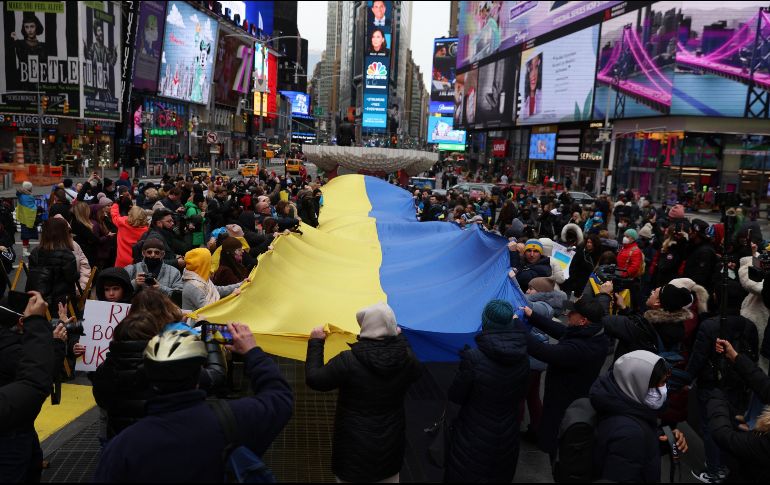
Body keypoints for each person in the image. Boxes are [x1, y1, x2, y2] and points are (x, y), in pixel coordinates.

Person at [93, 326, 293, 481]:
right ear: (200, 372)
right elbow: (280, 397)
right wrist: (252, 352)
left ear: (148, 376)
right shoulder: (237, 417)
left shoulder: (123, 447)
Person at [305, 302, 422, 482]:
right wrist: (397, 339)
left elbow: (315, 379)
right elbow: (416, 373)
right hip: (389, 450)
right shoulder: (407, 358)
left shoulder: (348, 360)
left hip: (352, 451)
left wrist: (315, 342)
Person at [444, 300, 529, 482]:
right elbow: (521, 393)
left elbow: (456, 395)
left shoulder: (474, 358)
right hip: (507, 435)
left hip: (473, 436)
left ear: (485, 322)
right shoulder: (522, 357)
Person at [520, 298, 609, 457]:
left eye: (572, 313)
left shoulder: (582, 348)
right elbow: (561, 331)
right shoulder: (591, 333)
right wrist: (532, 315)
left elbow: (543, 351)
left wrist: (517, 328)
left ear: (583, 320)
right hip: (569, 393)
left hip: (565, 400)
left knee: (559, 440)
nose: (568, 315)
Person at [590, 350, 689, 482]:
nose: (664, 389)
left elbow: (634, 454)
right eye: (661, 383)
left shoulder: (620, 400)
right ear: (638, 384)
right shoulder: (630, 433)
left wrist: (665, 440)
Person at [0, 291, 53, 482]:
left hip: (22, 429)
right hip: (12, 435)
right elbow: (35, 383)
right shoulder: (13, 351)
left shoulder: (9, 342)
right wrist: (49, 341)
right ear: (22, 322)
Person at [25, 218, 78, 309]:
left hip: (38, 299)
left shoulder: (35, 252)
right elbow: (71, 277)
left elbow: (33, 274)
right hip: (61, 303)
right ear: (64, 234)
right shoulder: (66, 254)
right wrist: (78, 274)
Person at [110, 198, 148, 268]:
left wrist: (115, 204)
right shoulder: (146, 230)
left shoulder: (122, 222)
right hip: (137, 261)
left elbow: (114, 215)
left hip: (122, 259)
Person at [16, 181, 38, 257]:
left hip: (23, 216)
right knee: (26, 234)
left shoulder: (20, 195)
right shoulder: (30, 196)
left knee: (25, 233)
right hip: (29, 217)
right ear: (30, 188)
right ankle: (24, 250)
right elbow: (32, 206)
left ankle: (26, 247)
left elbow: (17, 191)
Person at [522, 54, 542, 119]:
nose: (533, 74)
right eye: (530, 68)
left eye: (536, 67)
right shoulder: (523, 99)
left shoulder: (542, 96)